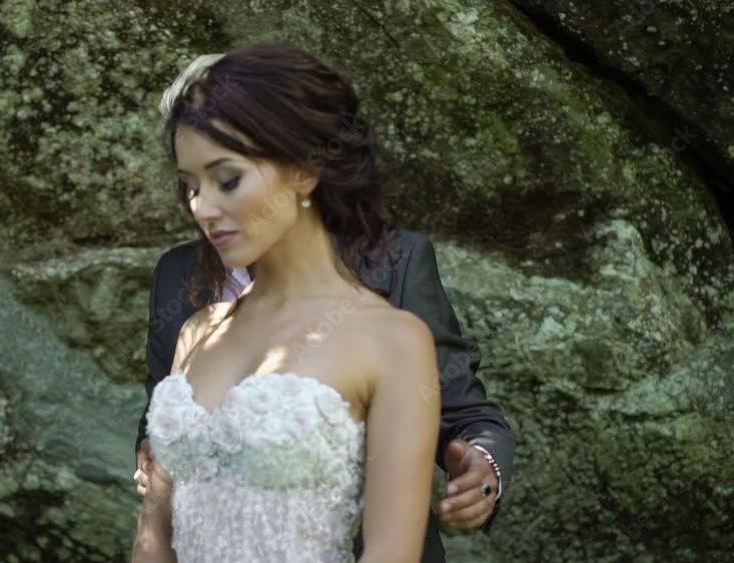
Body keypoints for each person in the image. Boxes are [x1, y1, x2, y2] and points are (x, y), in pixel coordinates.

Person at [131, 44, 514, 563]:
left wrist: (484, 463)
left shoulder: (392, 329)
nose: (201, 208)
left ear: (305, 170)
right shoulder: (195, 328)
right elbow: (154, 534)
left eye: (227, 179)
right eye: (190, 186)